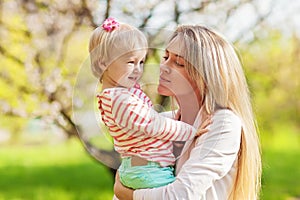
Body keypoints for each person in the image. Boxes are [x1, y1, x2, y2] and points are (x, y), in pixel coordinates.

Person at [114, 25, 262, 199]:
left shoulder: (223, 124)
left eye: (179, 63)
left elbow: (181, 196)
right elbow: (129, 171)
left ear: (206, 75)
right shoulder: (162, 121)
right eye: (165, 57)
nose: (163, 67)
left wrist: (127, 194)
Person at [88, 18, 211, 190]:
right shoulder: (121, 100)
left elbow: (148, 118)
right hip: (149, 171)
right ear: (103, 63)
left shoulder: (118, 95)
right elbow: (154, 124)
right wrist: (192, 131)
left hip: (145, 167)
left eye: (141, 62)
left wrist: (177, 114)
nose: (138, 69)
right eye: (131, 62)